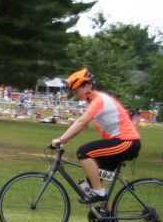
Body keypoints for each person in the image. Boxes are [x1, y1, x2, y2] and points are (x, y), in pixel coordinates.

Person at [51, 68, 141, 205]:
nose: (76, 95)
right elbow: (81, 124)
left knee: (84, 152)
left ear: (87, 86)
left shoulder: (99, 100)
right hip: (121, 142)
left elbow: (81, 122)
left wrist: (61, 139)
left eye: (76, 91)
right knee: (93, 180)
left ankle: (99, 192)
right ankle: (108, 218)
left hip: (126, 141)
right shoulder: (95, 101)